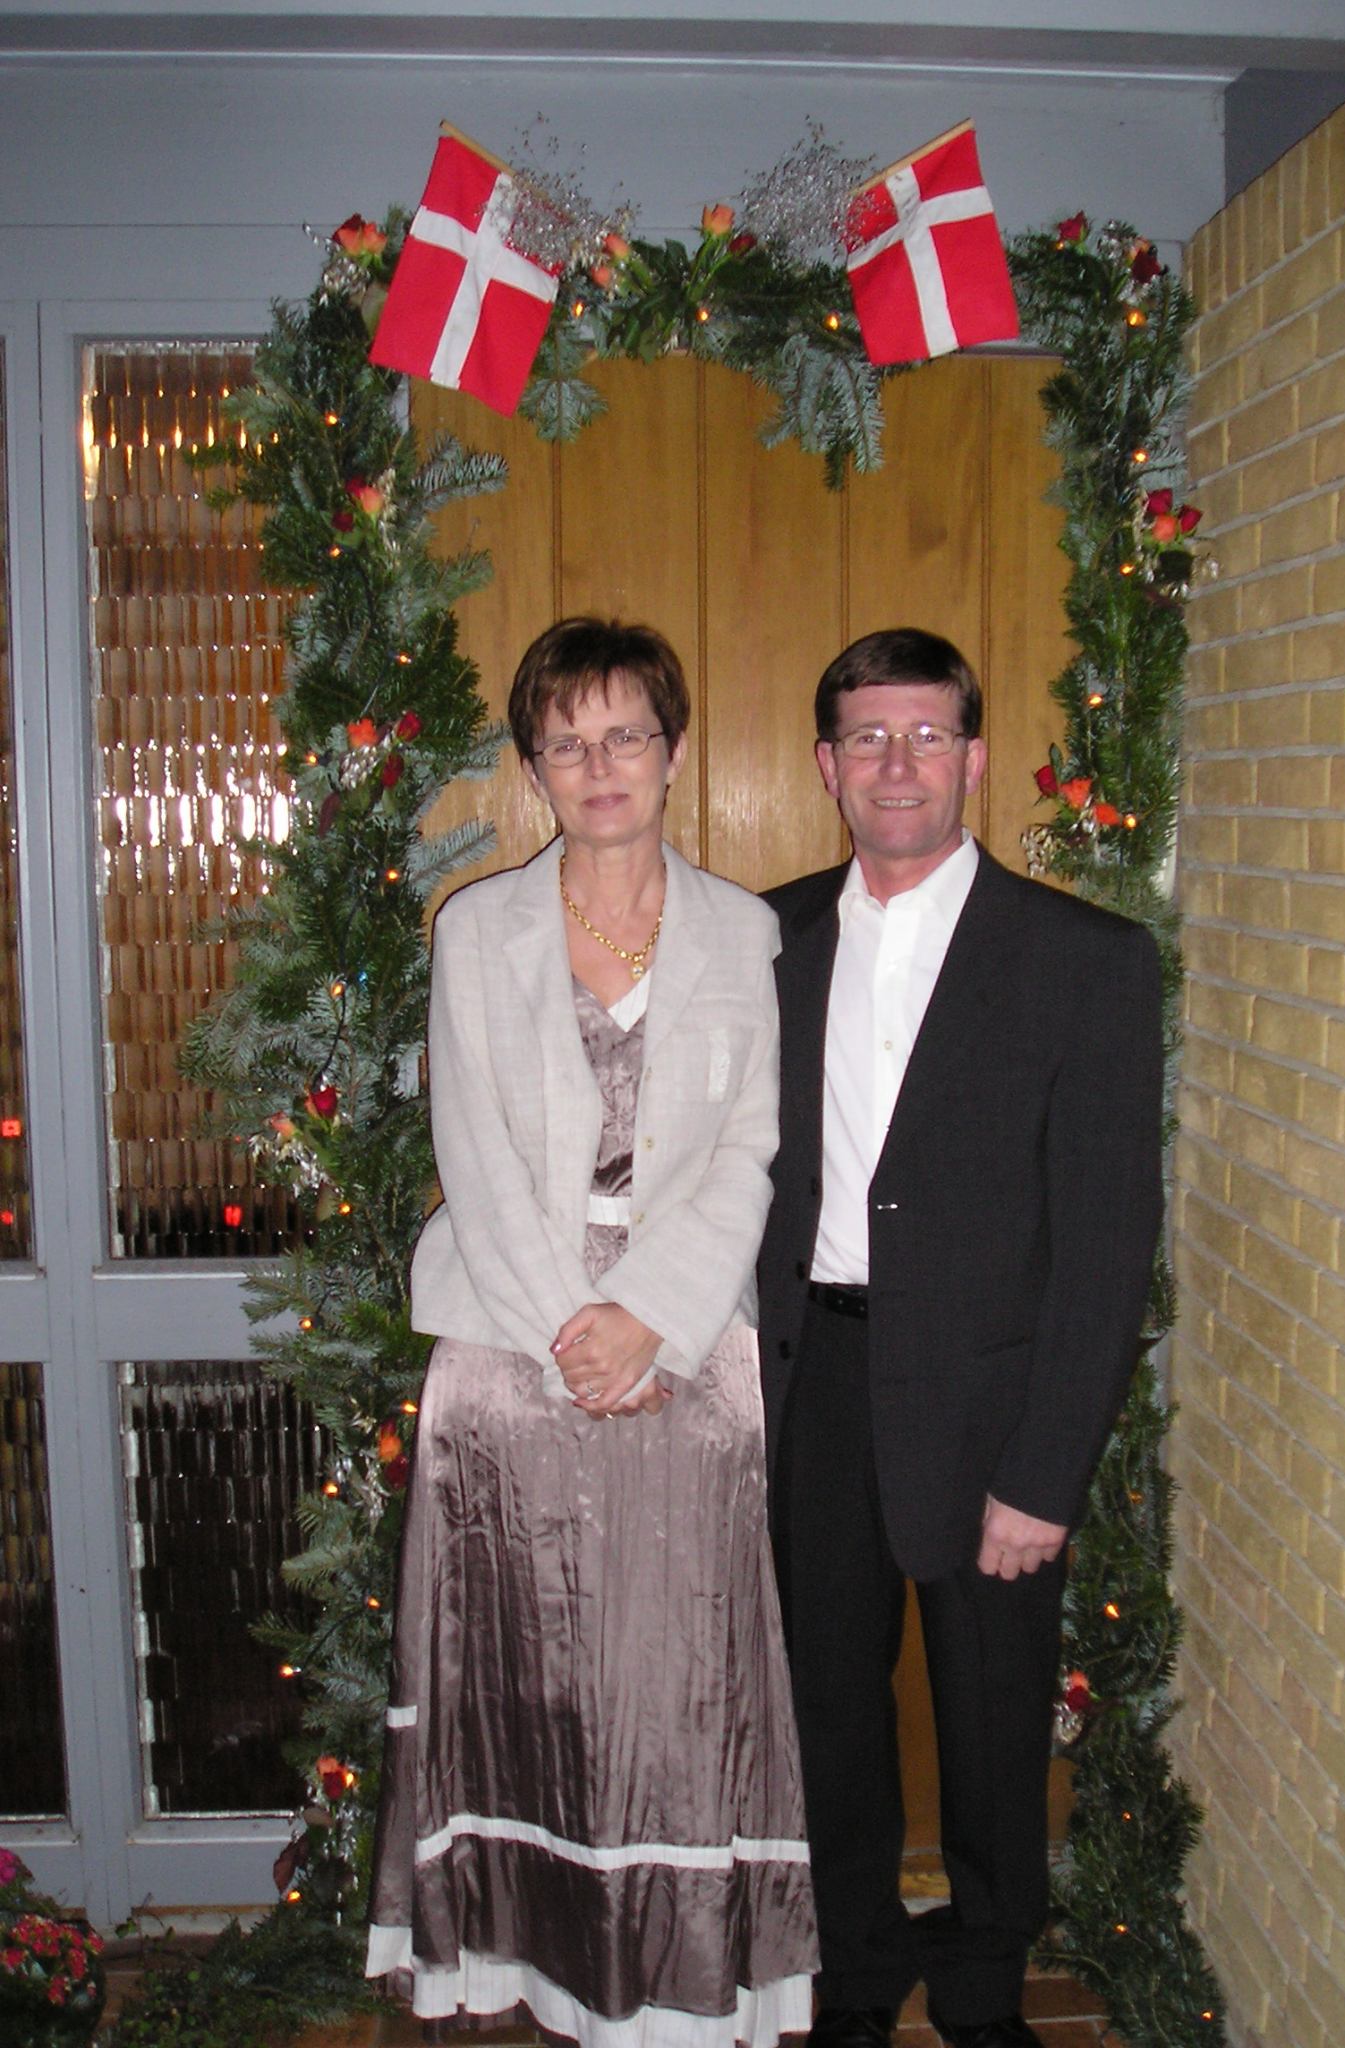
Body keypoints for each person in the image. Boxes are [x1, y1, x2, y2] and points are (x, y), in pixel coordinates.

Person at [368, 617, 817, 2045]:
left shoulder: (746, 934)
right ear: (535, 767)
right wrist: (574, 1329)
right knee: (523, 1686)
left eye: (626, 734)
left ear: (674, 753)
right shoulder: (476, 932)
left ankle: (676, 1987)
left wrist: (651, 1323)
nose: (599, 763)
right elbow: (475, 1153)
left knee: (675, 1690)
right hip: (510, 1362)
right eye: (567, 741)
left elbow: (750, 1151)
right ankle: (528, 1960)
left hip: (688, 1361)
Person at [757, 628, 1163, 2048]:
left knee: (992, 1718)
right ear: (826, 765)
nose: (897, 764)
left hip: (995, 1406)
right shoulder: (765, 940)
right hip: (814, 1381)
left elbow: (1107, 1247)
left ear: (975, 759)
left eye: (927, 735)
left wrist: (1047, 1473)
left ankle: (987, 1982)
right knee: (826, 1707)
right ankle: (855, 1971)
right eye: (868, 738)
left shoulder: (1085, 962)